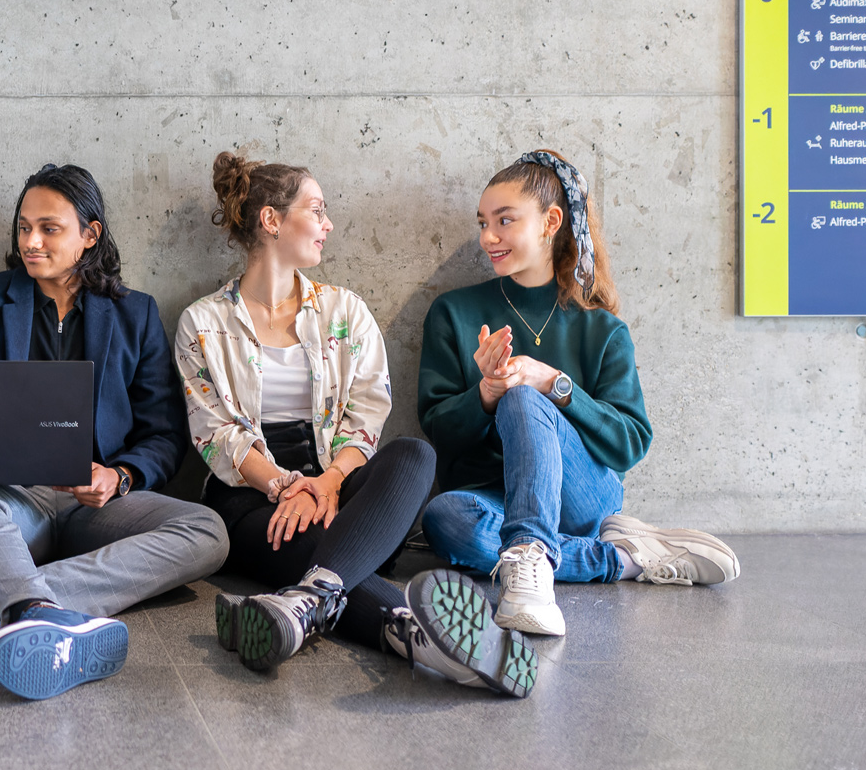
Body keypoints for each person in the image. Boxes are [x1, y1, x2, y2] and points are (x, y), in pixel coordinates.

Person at [177, 152, 535, 696]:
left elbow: (368, 410)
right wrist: (283, 485)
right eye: (316, 211)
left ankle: (303, 603)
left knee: (415, 455)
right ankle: (416, 634)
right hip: (250, 499)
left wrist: (327, 482)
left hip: (337, 484)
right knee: (339, 550)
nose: (328, 225)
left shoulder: (345, 311)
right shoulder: (202, 322)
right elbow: (215, 433)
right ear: (272, 221)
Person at [0, 163, 227, 701]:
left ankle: (6, 601)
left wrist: (119, 476)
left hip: (98, 507)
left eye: (49, 228)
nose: (31, 241)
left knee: (208, 532)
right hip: (9, 501)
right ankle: (31, 606)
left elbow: (164, 436)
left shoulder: (135, 314)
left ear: (90, 235)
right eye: (23, 227)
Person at [418, 150, 740, 638]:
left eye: (505, 221)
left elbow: (629, 444)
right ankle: (621, 558)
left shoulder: (602, 329)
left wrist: (552, 384)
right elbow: (439, 432)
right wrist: (485, 392)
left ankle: (529, 574)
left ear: (551, 222)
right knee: (444, 519)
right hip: (492, 496)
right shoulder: (455, 313)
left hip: (581, 495)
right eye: (483, 222)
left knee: (526, 397)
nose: (488, 237)